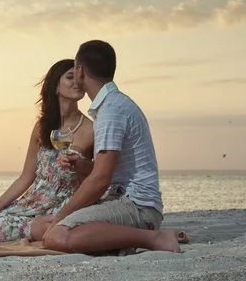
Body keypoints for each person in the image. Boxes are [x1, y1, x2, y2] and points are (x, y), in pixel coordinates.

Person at [42, 40, 181, 254]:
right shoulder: (112, 105)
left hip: (137, 207)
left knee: (57, 235)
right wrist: (83, 165)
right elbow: (104, 171)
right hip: (127, 201)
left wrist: (61, 217)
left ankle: (155, 238)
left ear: (80, 71)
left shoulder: (111, 111)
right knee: (56, 227)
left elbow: (100, 181)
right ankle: (128, 240)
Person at [0, 59, 94, 243]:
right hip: (33, 203)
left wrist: (80, 165)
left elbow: (99, 175)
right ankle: (34, 229)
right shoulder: (43, 127)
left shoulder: (92, 129)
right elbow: (26, 177)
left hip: (65, 205)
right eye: (69, 77)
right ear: (55, 86)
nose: (77, 82)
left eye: (80, 77)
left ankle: (43, 228)